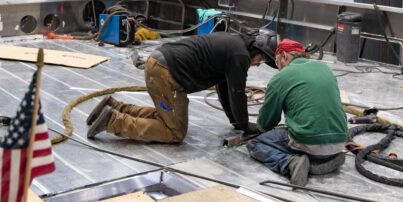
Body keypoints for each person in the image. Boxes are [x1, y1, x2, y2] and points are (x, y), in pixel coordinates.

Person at [86, 31, 278, 143]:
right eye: (260, 60)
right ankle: (114, 121)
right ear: (257, 50)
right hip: (166, 74)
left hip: (158, 63)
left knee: (166, 118)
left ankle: (114, 108)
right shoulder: (240, 56)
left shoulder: (234, 44)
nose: (257, 64)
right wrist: (245, 125)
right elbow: (237, 93)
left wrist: (237, 123)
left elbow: (224, 88)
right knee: (175, 132)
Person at [247, 39, 348, 187]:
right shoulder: (324, 68)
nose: (279, 67)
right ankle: (326, 161)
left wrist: (260, 127)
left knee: (256, 144)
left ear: (284, 56)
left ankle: (290, 163)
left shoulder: (281, 77)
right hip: (339, 141)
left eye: (277, 62)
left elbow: (266, 123)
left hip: (308, 141)